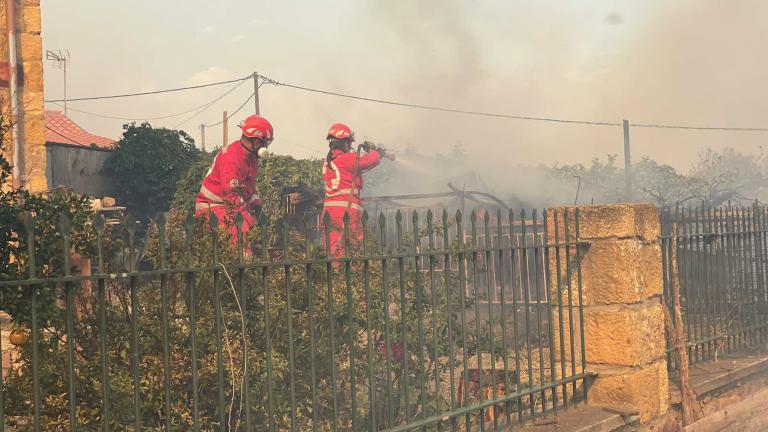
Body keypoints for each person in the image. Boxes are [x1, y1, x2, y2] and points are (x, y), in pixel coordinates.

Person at [195, 114, 273, 245]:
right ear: (257, 142)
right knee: (241, 230)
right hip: (211, 206)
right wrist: (251, 221)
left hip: (226, 206)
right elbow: (231, 198)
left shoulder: (251, 159)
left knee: (250, 228)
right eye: (265, 142)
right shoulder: (230, 158)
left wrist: (258, 209)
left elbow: (251, 189)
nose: (266, 146)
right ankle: (245, 264)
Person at [322, 123, 383, 258]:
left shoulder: (328, 162)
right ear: (344, 143)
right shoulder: (347, 159)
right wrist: (375, 151)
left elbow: (360, 168)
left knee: (333, 250)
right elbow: (371, 161)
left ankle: (334, 277)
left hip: (329, 213)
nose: (349, 147)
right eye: (349, 143)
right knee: (353, 250)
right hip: (347, 213)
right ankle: (351, 277)